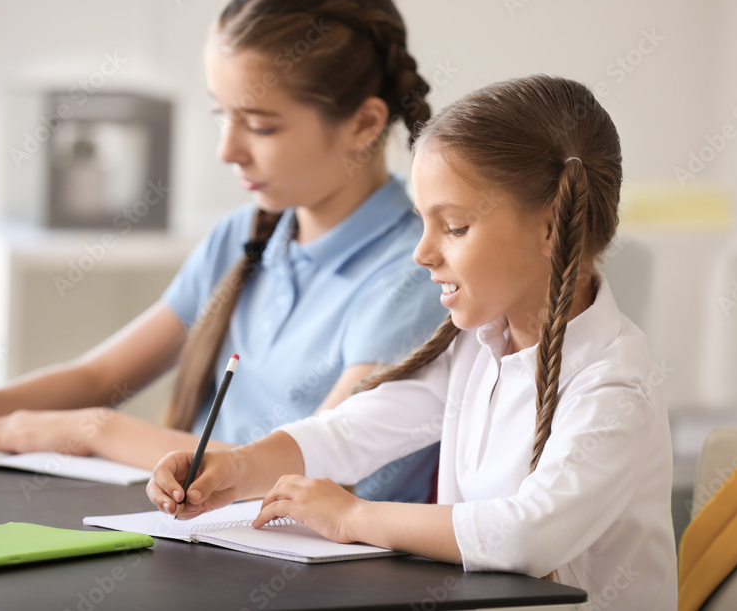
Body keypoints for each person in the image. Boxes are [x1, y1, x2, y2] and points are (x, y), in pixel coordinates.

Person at [0, 0, 448, 503]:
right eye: (221, 115)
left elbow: (314, 470)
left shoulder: (416, 269)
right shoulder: (245, 234)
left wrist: (94, 430)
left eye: (260, 125)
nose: (228, 150)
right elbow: (100, 374)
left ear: (364, 124)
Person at [148, 75, 679, 608]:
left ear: (550, 228)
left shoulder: (614, 384)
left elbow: (527, 537)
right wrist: (238, 469)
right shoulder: (476, 347)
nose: (421, 252)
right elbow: (355, 431)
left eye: (453, 227)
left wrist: (354, 516)